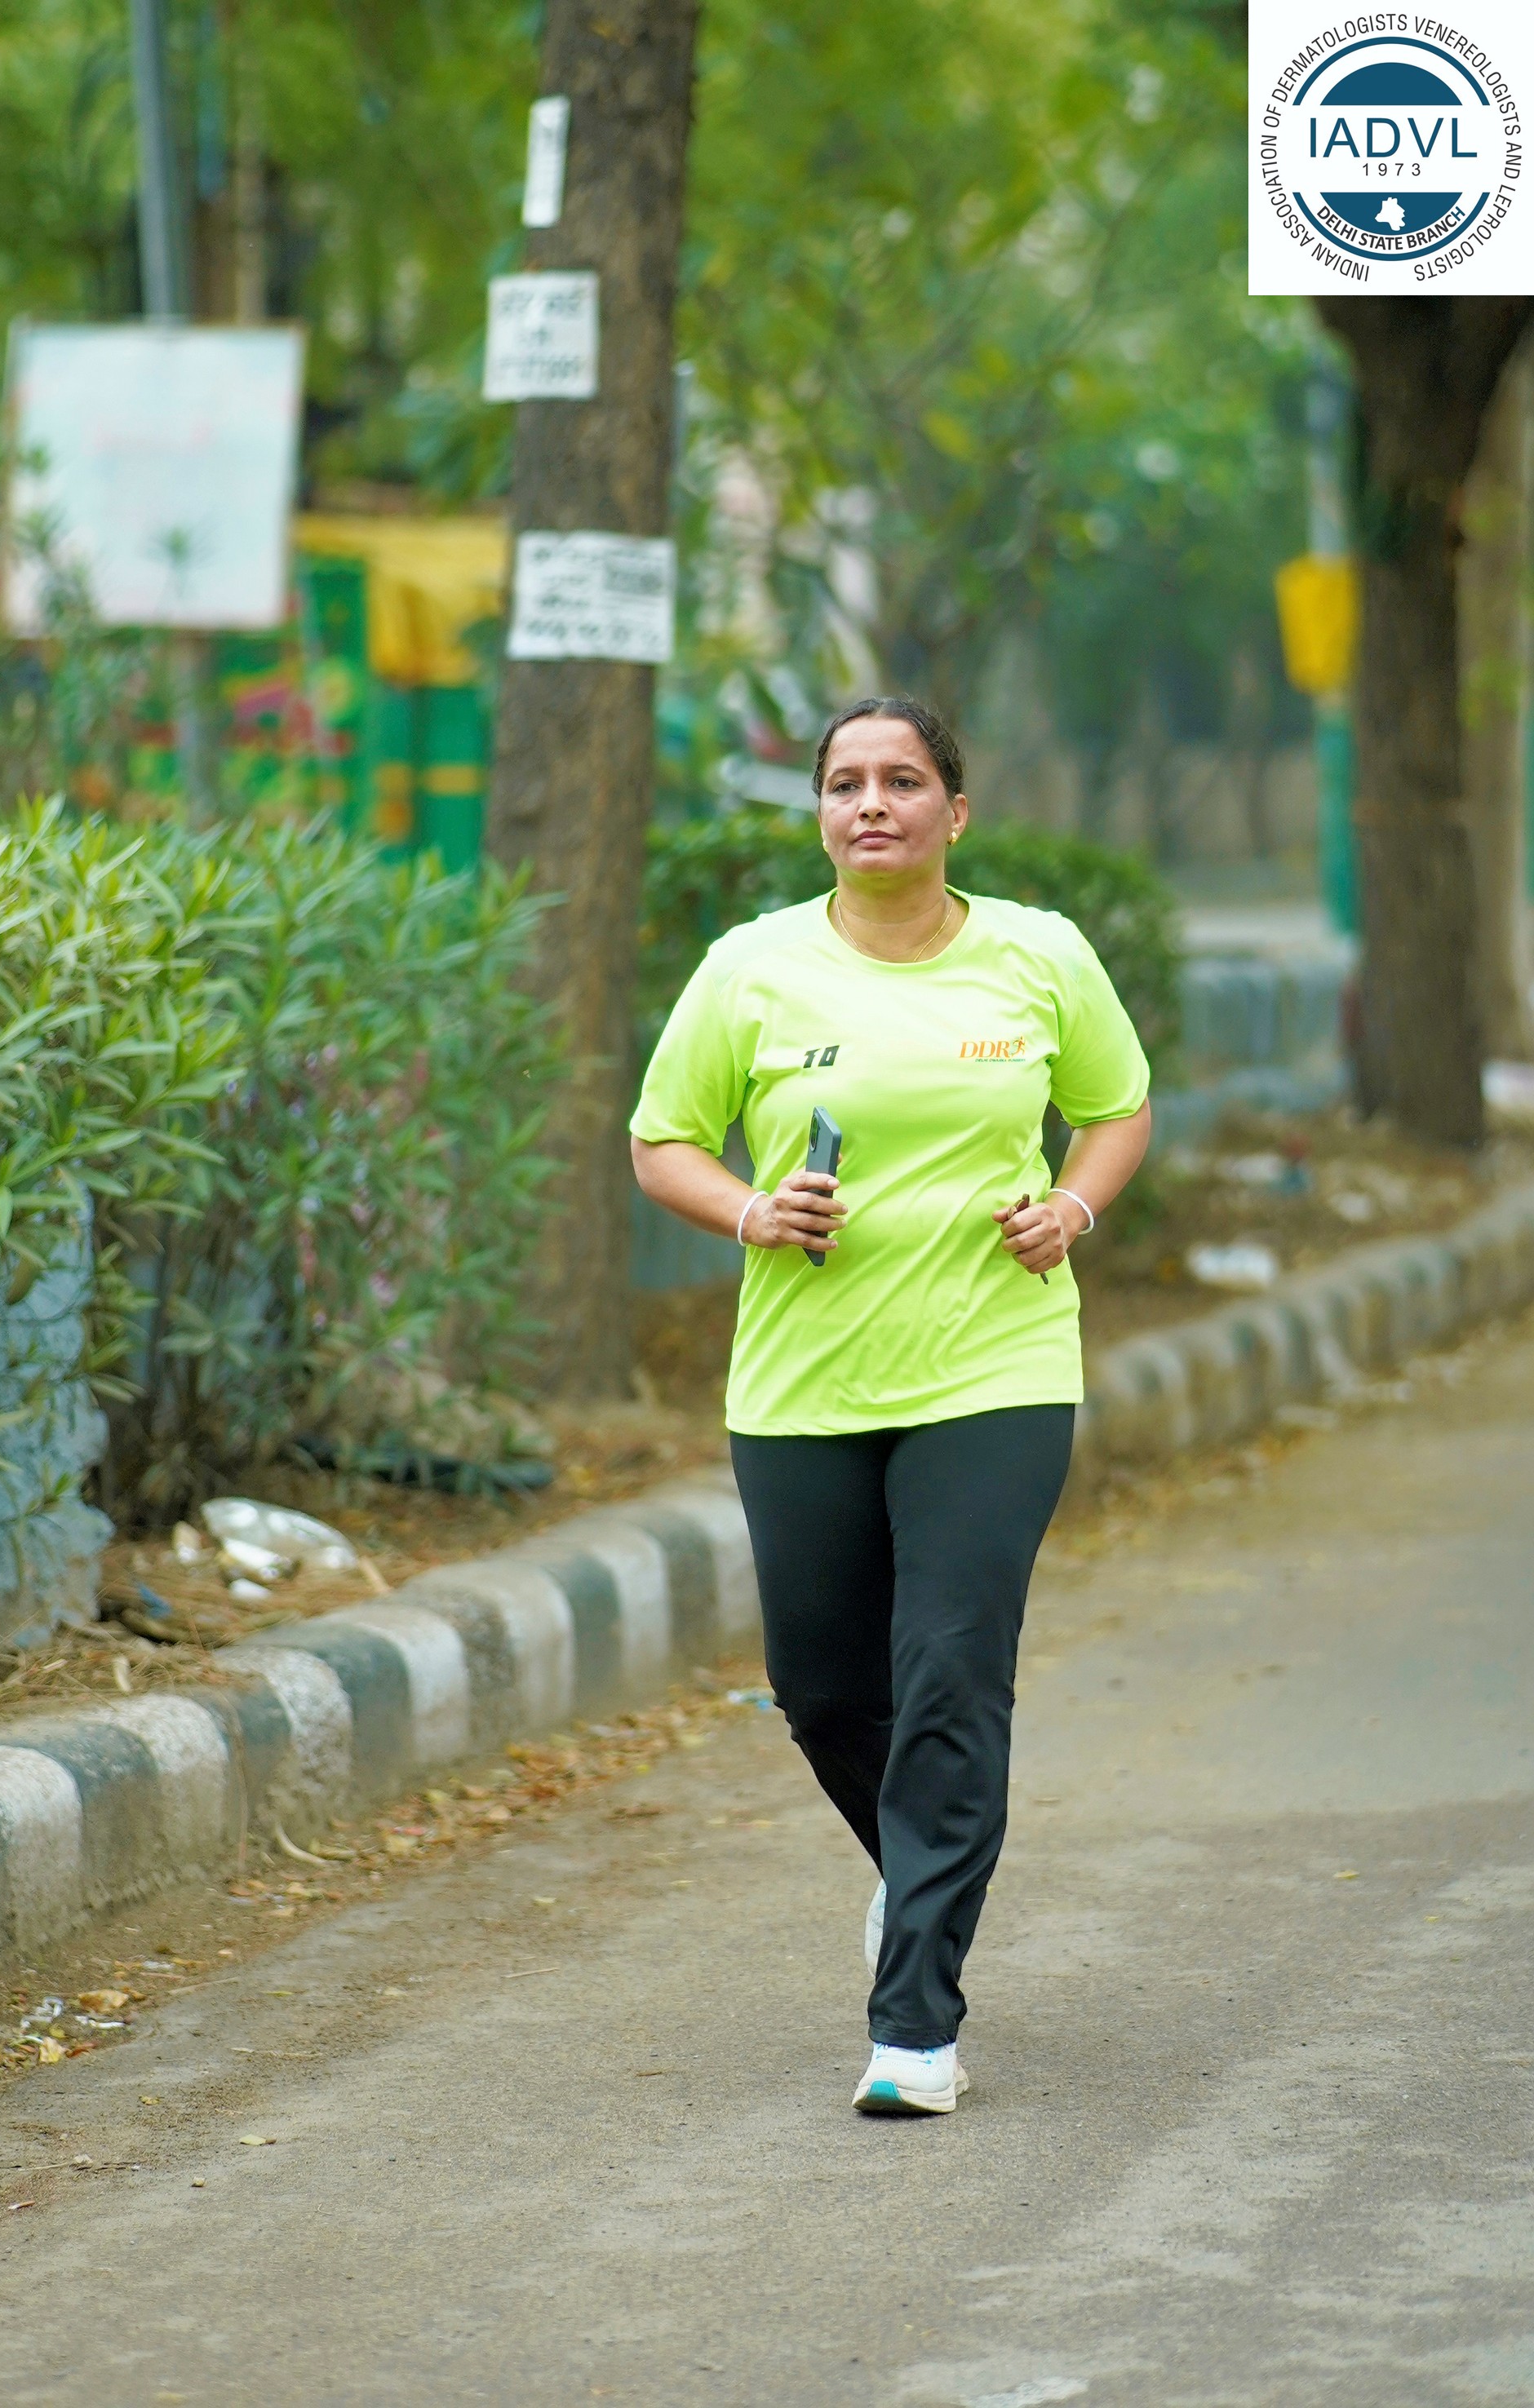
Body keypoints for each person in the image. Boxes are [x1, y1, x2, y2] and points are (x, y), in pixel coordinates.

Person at [630, 696, 1150, 2114]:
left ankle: (915, 2026)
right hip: (803, 1382)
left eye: (904, 781)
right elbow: (663, 1142)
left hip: (996, 1367)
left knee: (952, 1669)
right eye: (846, 783)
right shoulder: (751, 969)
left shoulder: (1039, 955)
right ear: (820, 814)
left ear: (954, 813)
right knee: (823, 1690)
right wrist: (753, 1210)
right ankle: (923, 1866)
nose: (873, 803)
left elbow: (1116, 1108)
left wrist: (1073, 1208)